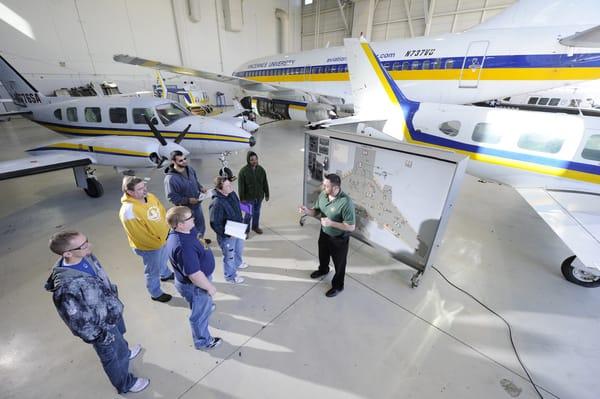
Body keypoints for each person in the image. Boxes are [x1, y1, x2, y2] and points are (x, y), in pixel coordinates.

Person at [45, 231, 149, 394]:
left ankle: (125, 352)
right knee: (111, 356)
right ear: (67, 253)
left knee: (120, 339)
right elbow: (78, 322)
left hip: (110, 313)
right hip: (101, 328)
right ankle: (124, 384)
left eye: (87, 241)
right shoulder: (66, 288)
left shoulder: (85, 256)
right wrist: (101, 336)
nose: (90, 246)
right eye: (84, 245)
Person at [165, 206, 222, 350]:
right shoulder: (184, 246)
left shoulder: (187, 230)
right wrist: (209, 287)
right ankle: (203, 341)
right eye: (190, 218)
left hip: (198, 282)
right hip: (196, 286)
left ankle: (204, 306)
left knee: (201, 305)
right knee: (198, 316)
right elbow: (195, 275)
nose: (194, 219)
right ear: (179, 224)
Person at [299, 173, 356, 298]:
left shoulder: (346, 203)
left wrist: (332, 223)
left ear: (336, 188)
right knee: (323, 254)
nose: (323, 187)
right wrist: (307, 211)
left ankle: (338, 286)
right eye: (324, 184)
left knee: (339, 264)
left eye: (326, 186)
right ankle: (323, 269)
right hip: (324, 233)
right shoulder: (323, 195)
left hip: (339, 239)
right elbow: (316, 211)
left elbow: (351, 227)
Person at [119, 176, 173, 303]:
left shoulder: (150, 196)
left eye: (144, 187)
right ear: (130, 192)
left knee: (164, 258)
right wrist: (158, 242)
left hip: (163, 238)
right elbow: (140, 235)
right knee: (152, 271)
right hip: (149, 247)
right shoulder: (128, 211)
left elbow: (161, 211)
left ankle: (165, 274)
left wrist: (167, 230)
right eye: (140, 189)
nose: (144, 190)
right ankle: (155, 293)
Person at [164, 150, 211, 244]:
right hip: (185, 210)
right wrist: (188, 200)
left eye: (185, 159)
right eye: (180, 160)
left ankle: (200, 241)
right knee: (190, 229)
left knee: (201, 226)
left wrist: (200, 187)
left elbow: (195, 181)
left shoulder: (189, 169)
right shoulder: (170, 179)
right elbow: (172, 197)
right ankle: (194, 245)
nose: (184, 161)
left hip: (197, 205)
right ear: (173, 162)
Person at [209, 176, 248, 284]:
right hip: (227, 235)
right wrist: (227, 234)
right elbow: (214, 223)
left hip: (238, 228)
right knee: (229, 256)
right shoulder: (217, 203)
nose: (231, 187)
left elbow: (237, 204)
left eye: (230, 184)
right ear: (220, 189)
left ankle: (238, 263)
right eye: (227, 186)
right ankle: (230, 276)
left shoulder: (232, 193)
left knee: (239, 249)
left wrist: (246, 209)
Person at [238, 151, 270, 235]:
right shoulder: (243, 171)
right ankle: (245, 231)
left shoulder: (261, 170)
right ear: (248, 161)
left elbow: (265, 183)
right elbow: (241, 186)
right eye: (252, 160)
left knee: (257, 213)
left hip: (259, 197)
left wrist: (267, 194)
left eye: (256, 159)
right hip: (248, 199)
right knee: (248, 215)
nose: (254, 161)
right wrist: (242, 199)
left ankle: (255, 227)